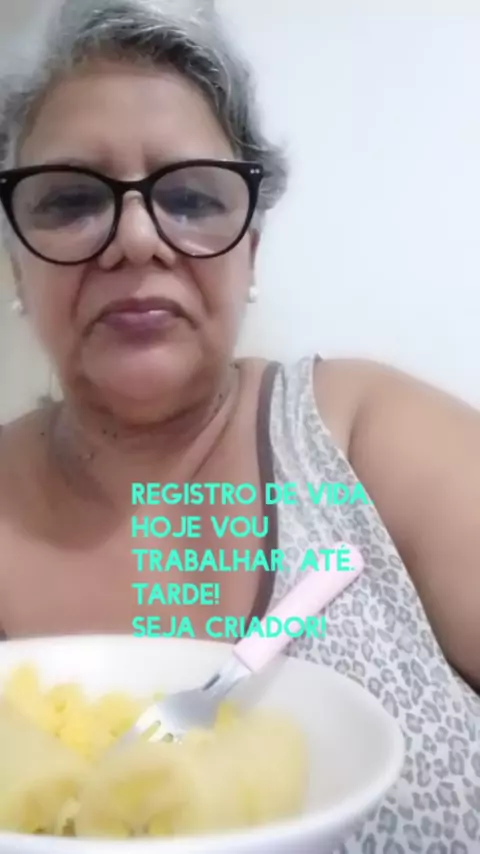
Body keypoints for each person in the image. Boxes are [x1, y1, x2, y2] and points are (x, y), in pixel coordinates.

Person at [0, 0, 478, 848]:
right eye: (71, 200)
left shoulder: (366, 432)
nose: (136, 239)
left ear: (250, 247)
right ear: (15, 262)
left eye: (190, 197)